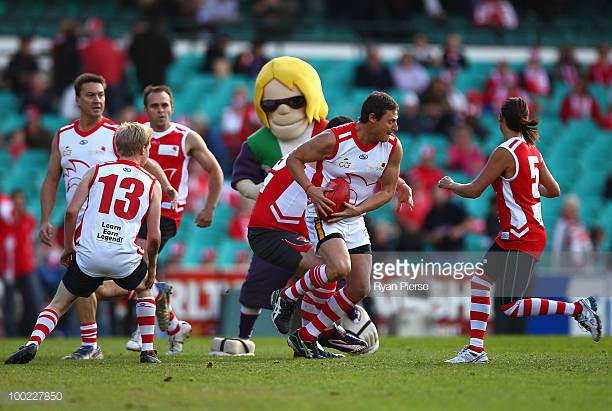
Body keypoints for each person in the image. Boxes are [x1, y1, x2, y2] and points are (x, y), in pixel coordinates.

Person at [438, 97, 601, 364]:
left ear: (501, 119)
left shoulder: (504, 152)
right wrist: (527, 188)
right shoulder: (532, 150)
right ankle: (476, 350)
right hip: (519, 233)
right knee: (480, 283)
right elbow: (555, 190)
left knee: (511, 306)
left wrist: (451, 184)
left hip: (521, 235)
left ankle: (578, 309)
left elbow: (475, 190)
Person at [38, 73, 177, 360]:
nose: (98, 100)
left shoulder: (115, 133)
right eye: (91, 95)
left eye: (101, 94)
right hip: (75, 219)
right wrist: (44, 218)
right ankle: (94, 343)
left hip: (103, 219)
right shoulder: (63, 136)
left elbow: (145, 160)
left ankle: (90, 343)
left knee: (82, 282)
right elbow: (52, 178)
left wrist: (164, 185)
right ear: (77, 100)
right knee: (85, 282)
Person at [5, 122, 163, 365]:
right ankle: (148, 351)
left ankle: (32, 343)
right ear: (144, 149)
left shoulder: (97, 170)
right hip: (124, 258)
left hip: (89, 254)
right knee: (146, 289)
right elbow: (154, 236)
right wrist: (151, 269)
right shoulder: (152, 183)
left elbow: (71, 212)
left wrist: (69, 248)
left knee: (59, 302)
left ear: (115, 146)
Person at [99, 84, 224, 355]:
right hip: (135, 213)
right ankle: (174, 323)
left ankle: (141, 330)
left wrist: (210, 207)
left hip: (166, 212)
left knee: (136, 267)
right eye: (155, 106)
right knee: (128, 271)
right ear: (146, 110)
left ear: (172, 107)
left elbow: (215, 170)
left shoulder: (186, 137)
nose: (161, 110)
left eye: (165, 105)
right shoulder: (136, 136)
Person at [280, 92, 404, 358]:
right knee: (339, 267)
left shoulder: (393, 146)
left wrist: (359, 209)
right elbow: (294, 159)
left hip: (354, 217)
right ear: (372, 118)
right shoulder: (336, 139)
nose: (395, 127)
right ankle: (287, 296)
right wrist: (311, 189)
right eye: (390, 121)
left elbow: (387, 190)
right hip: (324, 213)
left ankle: (306, 337)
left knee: (360, 286)